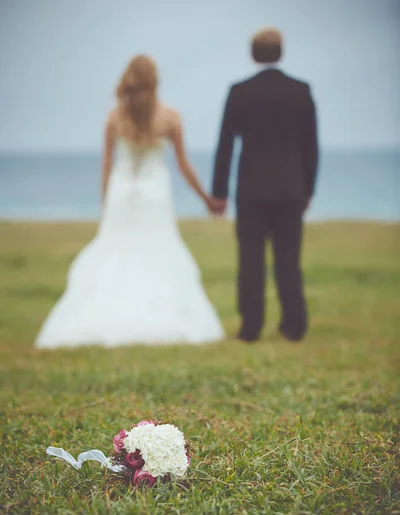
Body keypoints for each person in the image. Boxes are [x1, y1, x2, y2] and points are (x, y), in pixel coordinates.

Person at [35, 55, 224, 348]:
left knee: (115, 249)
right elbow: (184, 165)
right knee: (158, 249)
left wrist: (105, 205)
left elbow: (107, 166)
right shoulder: (170, 117)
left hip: (121, 192)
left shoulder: (114, 117)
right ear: (155, 82)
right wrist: (206, 198)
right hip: (154, 191)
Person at [211, 28, 318, 342]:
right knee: (289, 257)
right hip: (290, 187)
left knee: (250, 258)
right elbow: (311, 145)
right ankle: (294, 324)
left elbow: (225, 144)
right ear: (281, 53)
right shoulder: (301, 90)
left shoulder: (239, 91)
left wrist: (219, 192)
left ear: (252, 54)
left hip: (251, 188)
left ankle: (251, 326)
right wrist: (308, 189)